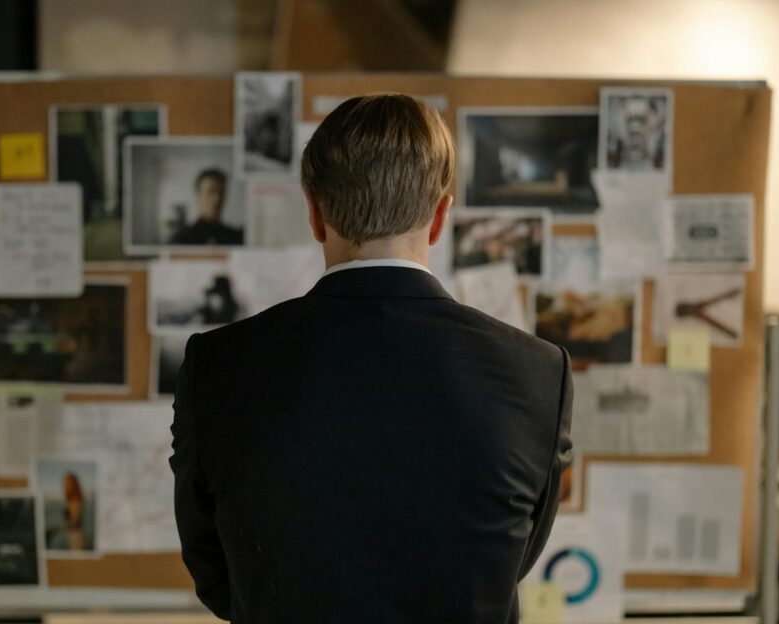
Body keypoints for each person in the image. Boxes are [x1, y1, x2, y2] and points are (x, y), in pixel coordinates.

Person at [169, 94, 573, 623]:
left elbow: (216, 576)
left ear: (314, 212)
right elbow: (506, 562)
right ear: (440, 218)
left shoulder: (218, 365)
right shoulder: (538, 373)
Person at [170, 168, 244, 245]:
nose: (217, 199)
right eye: (210, 192)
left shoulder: (236, 237)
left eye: (221, 192)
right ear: (198, 196)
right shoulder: (181, 240)